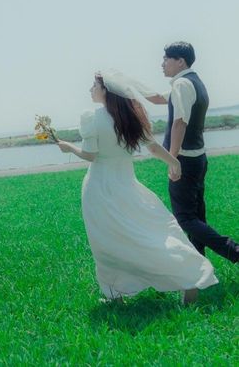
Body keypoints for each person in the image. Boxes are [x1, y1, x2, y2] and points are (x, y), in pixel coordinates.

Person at [57, 70, 218, 304]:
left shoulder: (92, 118)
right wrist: (173, 162)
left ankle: (115, 294)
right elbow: (153, 148)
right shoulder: (131, 117)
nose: (91, 89)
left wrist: (68, 147)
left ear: (106, 91)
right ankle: (188, 275)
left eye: (94, 86)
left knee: (106, 241)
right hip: (128, 187)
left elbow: (90, 155)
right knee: (151, 233)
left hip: (99, 188)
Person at [146, 41, 239, 263]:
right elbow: (158, 98)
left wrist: (172, 160)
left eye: (166, 59)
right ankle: (200, 265)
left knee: (185, 218)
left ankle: (234, 251)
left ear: (180, 61)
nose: (162, 64)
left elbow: (180, 122)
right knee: (196, 216)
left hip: (184, 161)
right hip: (198, 159)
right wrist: (129, 87)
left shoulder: (181, 84)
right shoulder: (193, 82)